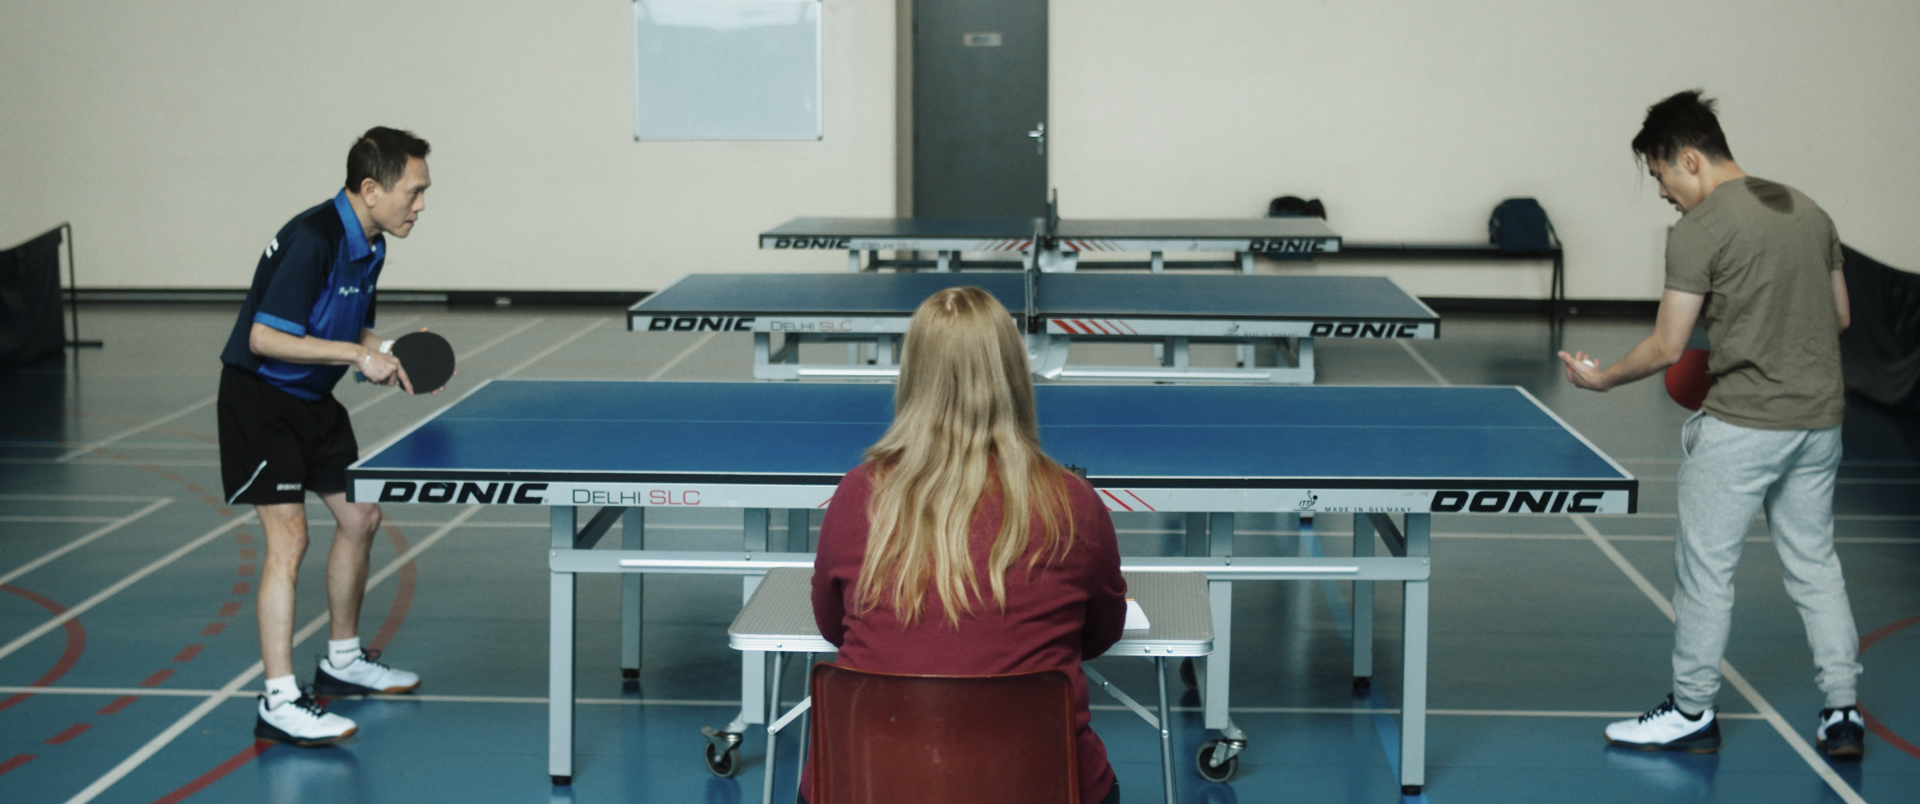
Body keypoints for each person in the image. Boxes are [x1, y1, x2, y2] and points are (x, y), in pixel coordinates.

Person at [1559, 91, 1863, 758]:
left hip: (1744, 429)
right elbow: (1838, 316)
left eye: (1660, 175)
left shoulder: (1701, 230)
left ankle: (1692, 710)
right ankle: (1842, 712)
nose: (1662, 192)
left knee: (1705, 573)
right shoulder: (1810, 211)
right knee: (1815, 566)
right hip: (1820, 423)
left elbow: (1667, 347)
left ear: (1689, 159)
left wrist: (1602, 379)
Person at [806, 286, 1129, 804]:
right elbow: (1099, 634)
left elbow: (831, 624)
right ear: (1012, 374)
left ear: (913, 376)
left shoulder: (856, 494)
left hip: (863, 786)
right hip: (1040, 788)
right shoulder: (1073, 504)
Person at [217, 127, 434, 746]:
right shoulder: (314, 239)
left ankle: (342, 660)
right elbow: (265, 336)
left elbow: (347, 326)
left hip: (312, 400)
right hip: (261, 401)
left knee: (361, 517)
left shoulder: (372, 245)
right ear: (371, 189)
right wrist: (356, 356)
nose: (421, 205)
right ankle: (279, 699)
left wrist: (386, 351)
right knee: (289, 539)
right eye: (414, 192)